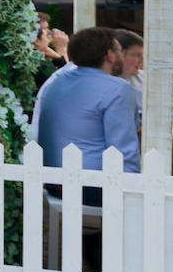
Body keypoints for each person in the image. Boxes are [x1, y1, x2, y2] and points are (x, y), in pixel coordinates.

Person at [29, 27, 139, 203]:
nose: (122, 56)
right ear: (109, 55)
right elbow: (124, 152)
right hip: (90, 187)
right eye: (119, 51)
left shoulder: (57, 80)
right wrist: (134, 195)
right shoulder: (118, 88)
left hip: (52, 183)